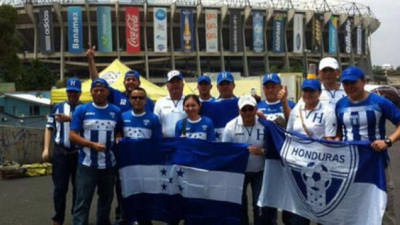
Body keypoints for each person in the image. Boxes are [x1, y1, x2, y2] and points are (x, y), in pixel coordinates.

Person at [336, 66, 400, 225]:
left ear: (363, 81)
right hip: (351, 165)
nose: (349, 87)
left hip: (377, 162)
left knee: (383, 206)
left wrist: (388, 141)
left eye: (353, 83)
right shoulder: (340, 105)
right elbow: (339, 131)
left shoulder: (380, 102)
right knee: (354, 206)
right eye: (346, 83)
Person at [284, 79, 338, 225]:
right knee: (299, 212)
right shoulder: (297, 109)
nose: (308, 94)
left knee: (321, 209)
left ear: (319, 93)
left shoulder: (327, 111)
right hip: (298, 166)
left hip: (320, 167)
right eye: (305, 90)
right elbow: (289, 134)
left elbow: (329, 140)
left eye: (312, 91)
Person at [70, 78, 121, 225]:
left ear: (107, 92)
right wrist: (91, 144)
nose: (99, 93)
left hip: (109, 165)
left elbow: (118, 132)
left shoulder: (115, 111)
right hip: (86, 165)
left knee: (106, 203)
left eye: (102, 90)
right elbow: (72, 134)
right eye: (95, 90)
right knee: (82, 202)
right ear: (91, 92)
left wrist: (118, 138)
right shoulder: (82, 110)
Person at [222, 95, 270, 225]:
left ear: (256, 109)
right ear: (239, 111)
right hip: (239, 172)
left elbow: (272, 149)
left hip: (259, 171)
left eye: (251, 109)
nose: (248, 112)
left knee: (258, 204)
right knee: (240, 203)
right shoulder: (230, 127)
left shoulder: (265, 125)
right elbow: (225, 151)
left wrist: (261, 151)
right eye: (244, 109)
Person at [117, 87, 162, 225]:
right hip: (127, 166)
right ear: (130, 100)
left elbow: (157, 143)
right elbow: (118, 134)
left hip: (145, 166)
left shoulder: (153, 119)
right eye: (134, 97)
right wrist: (118, 139)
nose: (137, 100)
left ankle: (145, 221)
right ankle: (127, 219)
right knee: (126, 194)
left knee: (144, 196)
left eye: (141, 98)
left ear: (146, 100)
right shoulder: (123, 117)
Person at [42, 78, 82, 225]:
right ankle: (58, 218)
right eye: (70, 91)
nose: (72, 94)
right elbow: (49, 127)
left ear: (80, 93)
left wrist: (69, 119)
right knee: (60, 188)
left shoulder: (84, 108)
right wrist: (46, 148)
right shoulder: (57, 107)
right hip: (60, 153)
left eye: (75, 92)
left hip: (78, 153)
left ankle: (76, 218)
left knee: (79, 189)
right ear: (66, 92)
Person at [87, 45, 154, 113]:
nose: (130, 81)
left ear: (139, 83)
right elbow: (97, 82)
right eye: (128, 79)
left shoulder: (148, 101)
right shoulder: (116, 95)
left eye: (134, 80)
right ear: (124, 82)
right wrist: (90, 60)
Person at [154, 70, 186, 138]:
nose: (175, 84)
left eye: (178, 81)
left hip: (184, 142)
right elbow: (155, 123)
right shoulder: (160, 102)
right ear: (167, 85)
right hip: (165, 142)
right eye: (172, 82)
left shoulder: (189, 101)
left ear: (183, 84)